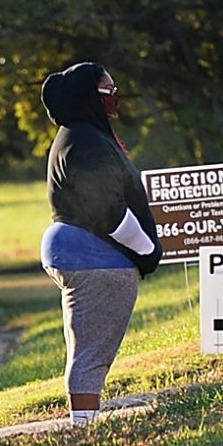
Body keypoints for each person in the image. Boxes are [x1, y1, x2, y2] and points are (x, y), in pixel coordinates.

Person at [38, 61, 159, 424]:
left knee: (86, 346)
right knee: (91, 351)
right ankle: (83, 430)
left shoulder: (79, 137)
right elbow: (108, 209)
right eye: (108, 88)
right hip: (95, 258)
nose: (115, 95)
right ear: (89, 96)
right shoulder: (86, 143)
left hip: (80, 252)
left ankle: (84, 423)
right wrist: (146, 250)